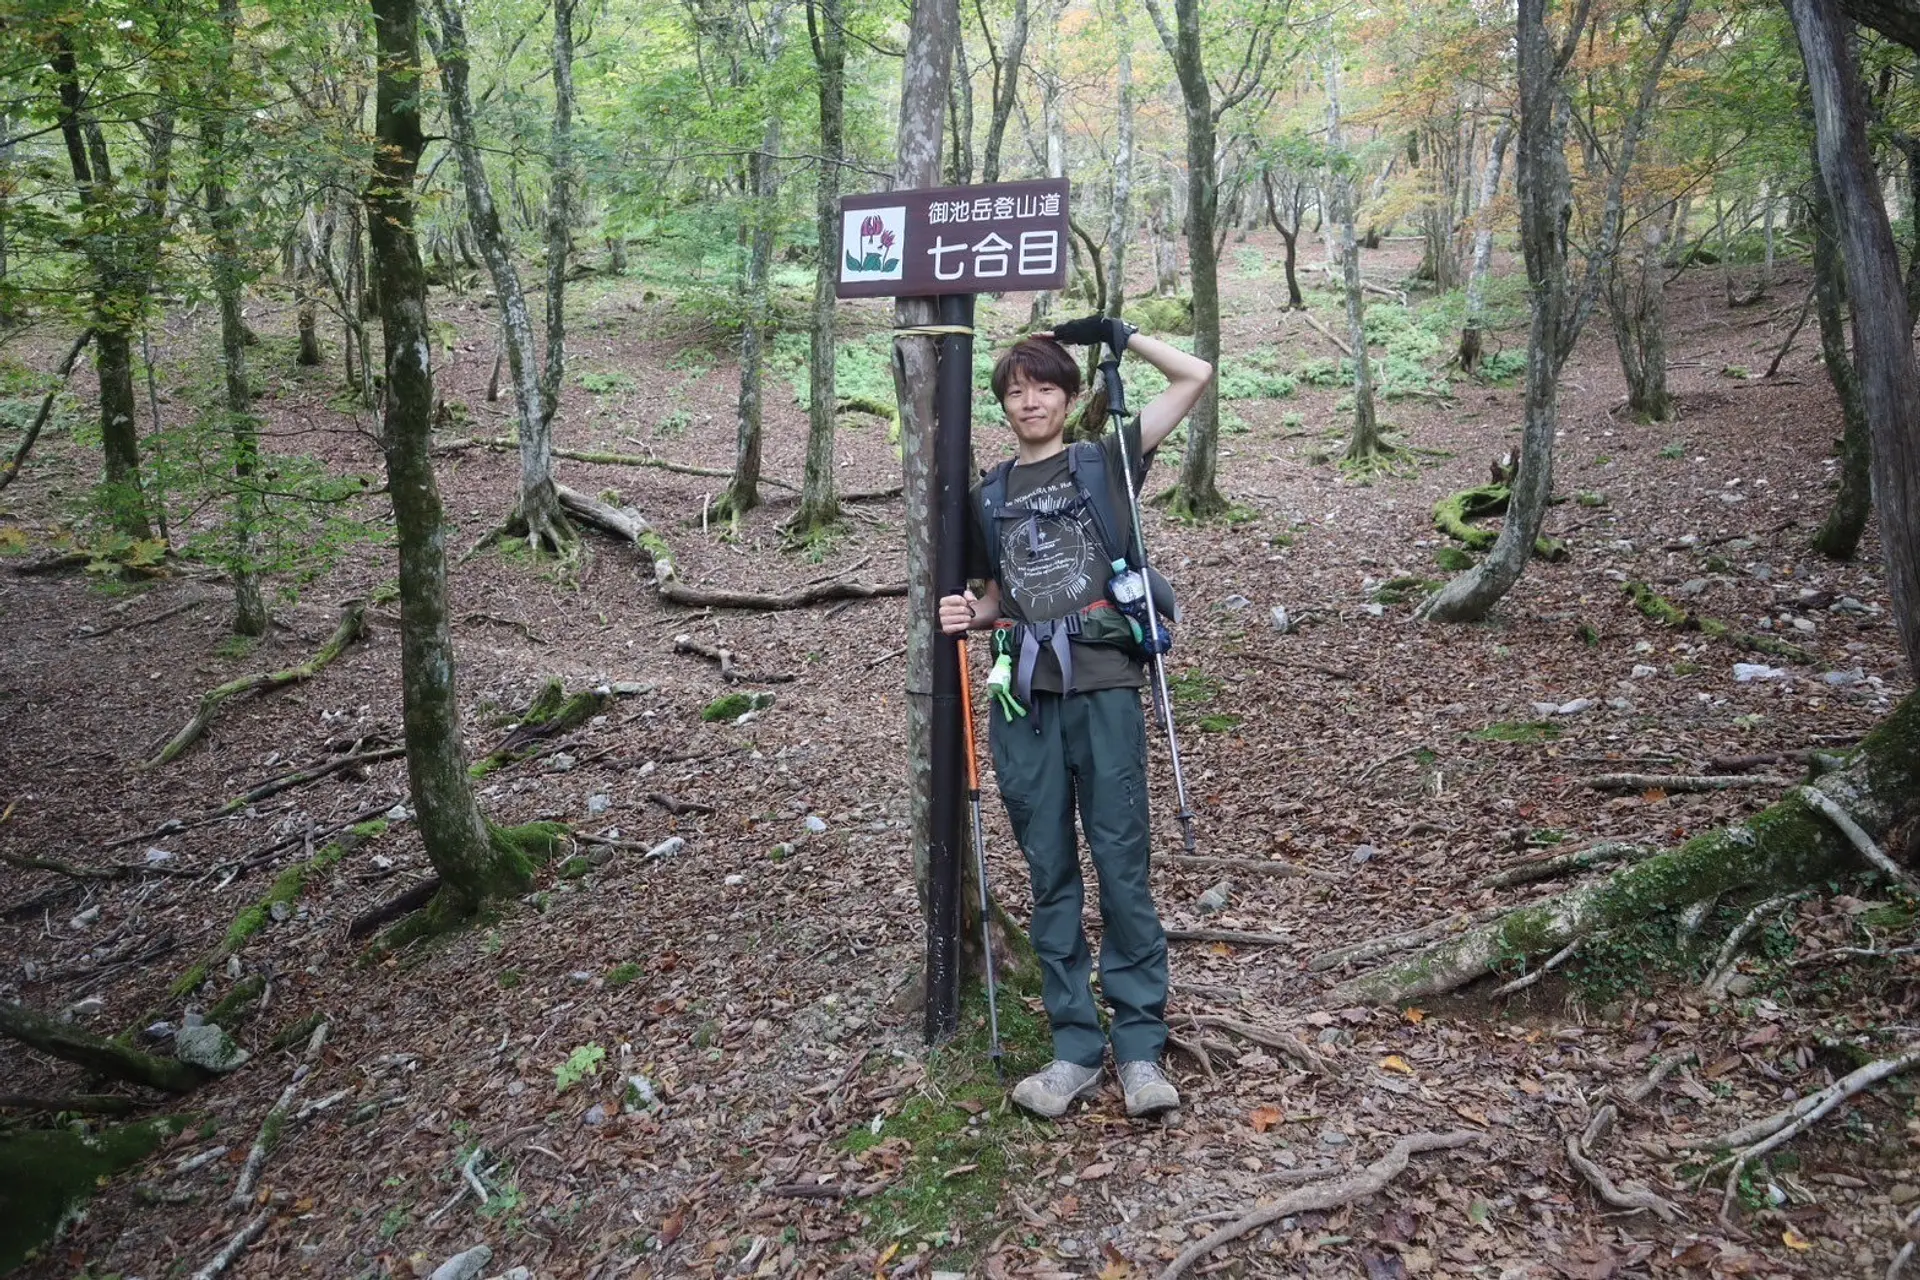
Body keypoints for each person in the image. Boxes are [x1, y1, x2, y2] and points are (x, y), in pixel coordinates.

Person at [938, 316, 1213, 1119]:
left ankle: (1140, 1049)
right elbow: (997, 596)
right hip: (1024, 702)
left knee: (1122, 867)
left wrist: (1120, 335)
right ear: (1002, 404)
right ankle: (1074, 1050)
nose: (1030, 401)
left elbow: (1194, 376)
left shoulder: (1104, 461)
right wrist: (968, 613)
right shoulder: (990, 494)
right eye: (1016, 390)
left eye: (1044, 387)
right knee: (1049, 873)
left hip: (1104, 691)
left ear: (1067, 396)